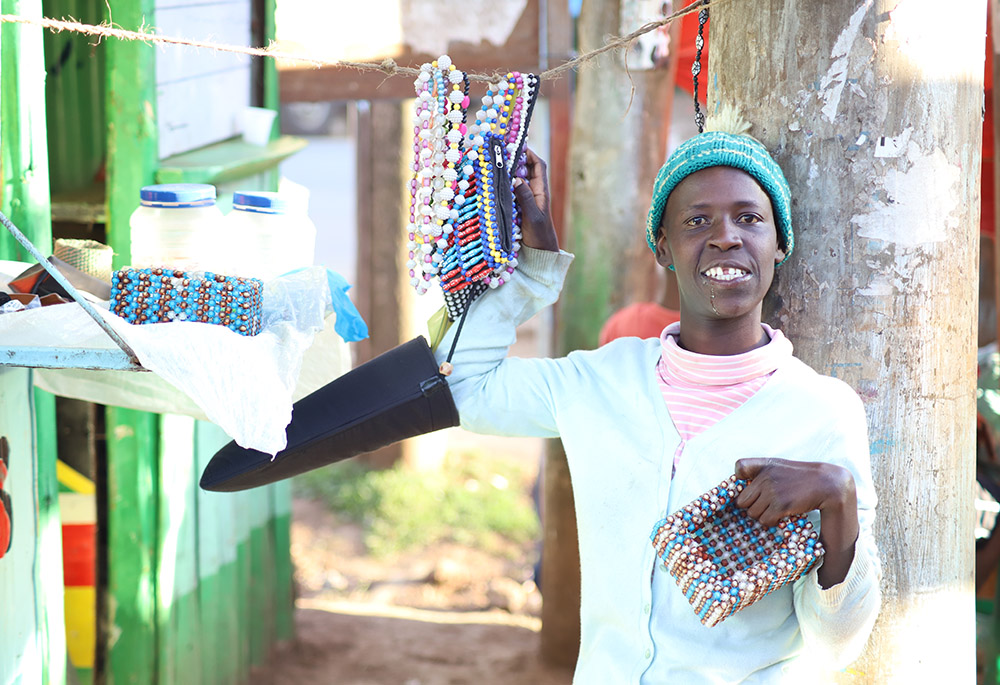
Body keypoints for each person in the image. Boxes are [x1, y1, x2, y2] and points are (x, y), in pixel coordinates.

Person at [435, 109, 881, 683]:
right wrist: (532, 273)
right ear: (663, 247)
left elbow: (838, 643)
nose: (725, 236)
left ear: (779, 244)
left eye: (749, 218)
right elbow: (463, 386)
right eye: (697, 222)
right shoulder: (600, 382)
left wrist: (837, 499)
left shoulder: (821, 410)